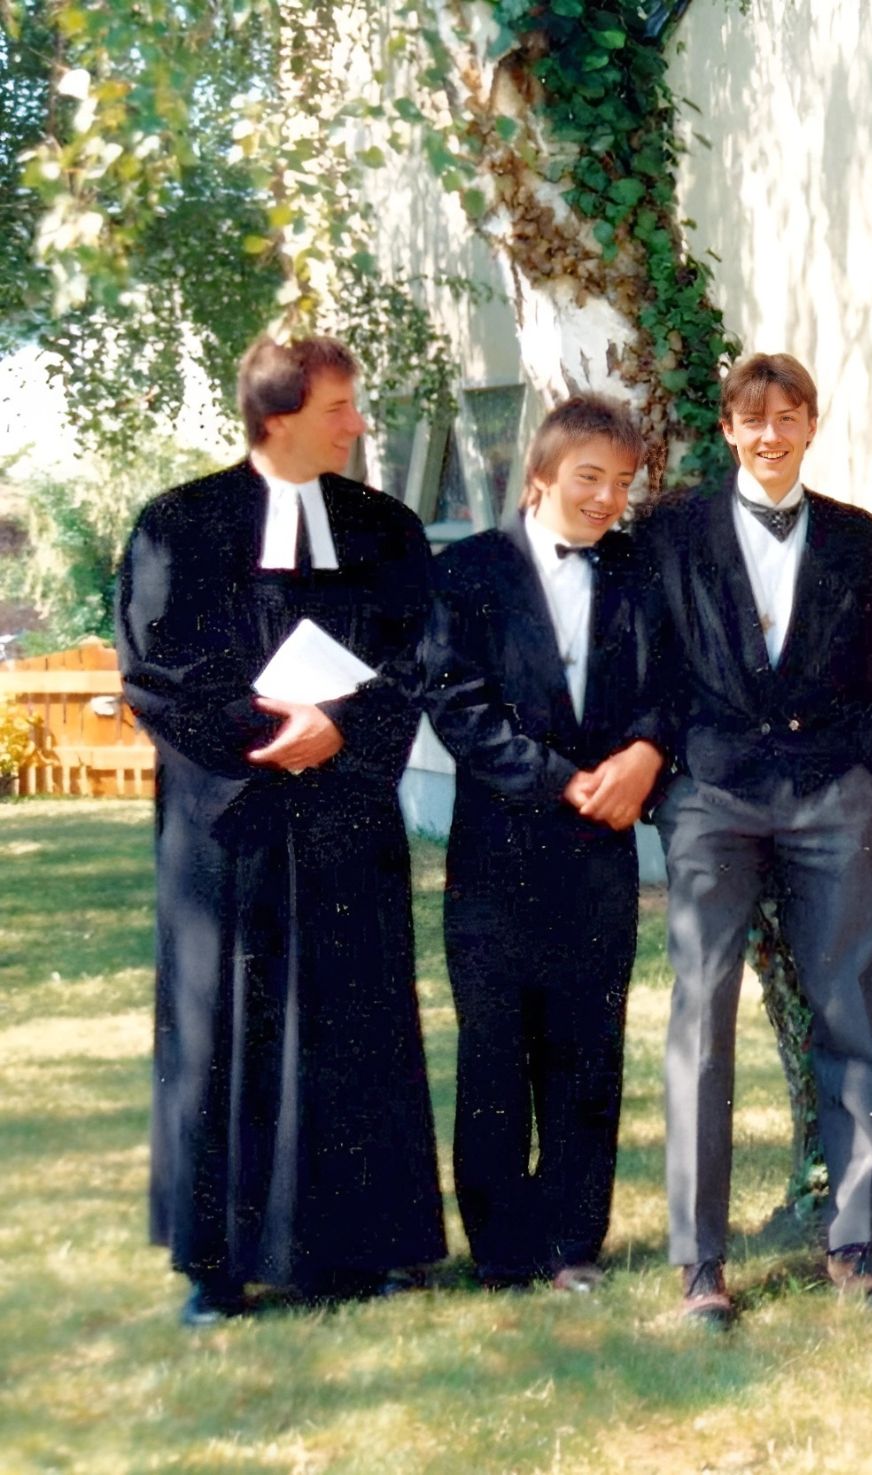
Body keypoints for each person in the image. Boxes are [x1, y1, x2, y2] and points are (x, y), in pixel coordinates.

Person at [115, 334, 445, 1326]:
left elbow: (421, 648)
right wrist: (274, 736)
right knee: (223, 1027)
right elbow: (157, 672)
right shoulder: (178, 524)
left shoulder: (382, 527)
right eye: (340, 406)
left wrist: (341, 727)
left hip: (346, 810)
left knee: (361, 1015)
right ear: (278, 418)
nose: (357, 423)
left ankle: (379, 1245)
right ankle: (216, 1266)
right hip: (230, 822)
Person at [639, 352, 872, 1328]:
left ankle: (854, 1237)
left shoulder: (857, 536)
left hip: (829, 795)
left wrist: (871, 783)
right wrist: (674, 781)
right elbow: (652, 660)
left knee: (851, 1012)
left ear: (810, 424)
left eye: (787, 417)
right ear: (727, 429)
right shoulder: (670, 530)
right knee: (700, 1022)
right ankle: (700, 1260)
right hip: (713, 795)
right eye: (752, 419)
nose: (770, 434)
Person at [419, 396, 666, 1295]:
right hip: (499, 850)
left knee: (585, 1047)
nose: (606, 499)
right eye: (589, 477)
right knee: (493, 1049)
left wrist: (646, 753)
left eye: (622, 483)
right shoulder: (470, 571)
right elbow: (456, 704)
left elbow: (666, 684)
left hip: (600, 851)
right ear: (542, 474)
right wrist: (557, 776)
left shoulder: (637, 570)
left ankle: (572, 1245)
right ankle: (498, 1251)